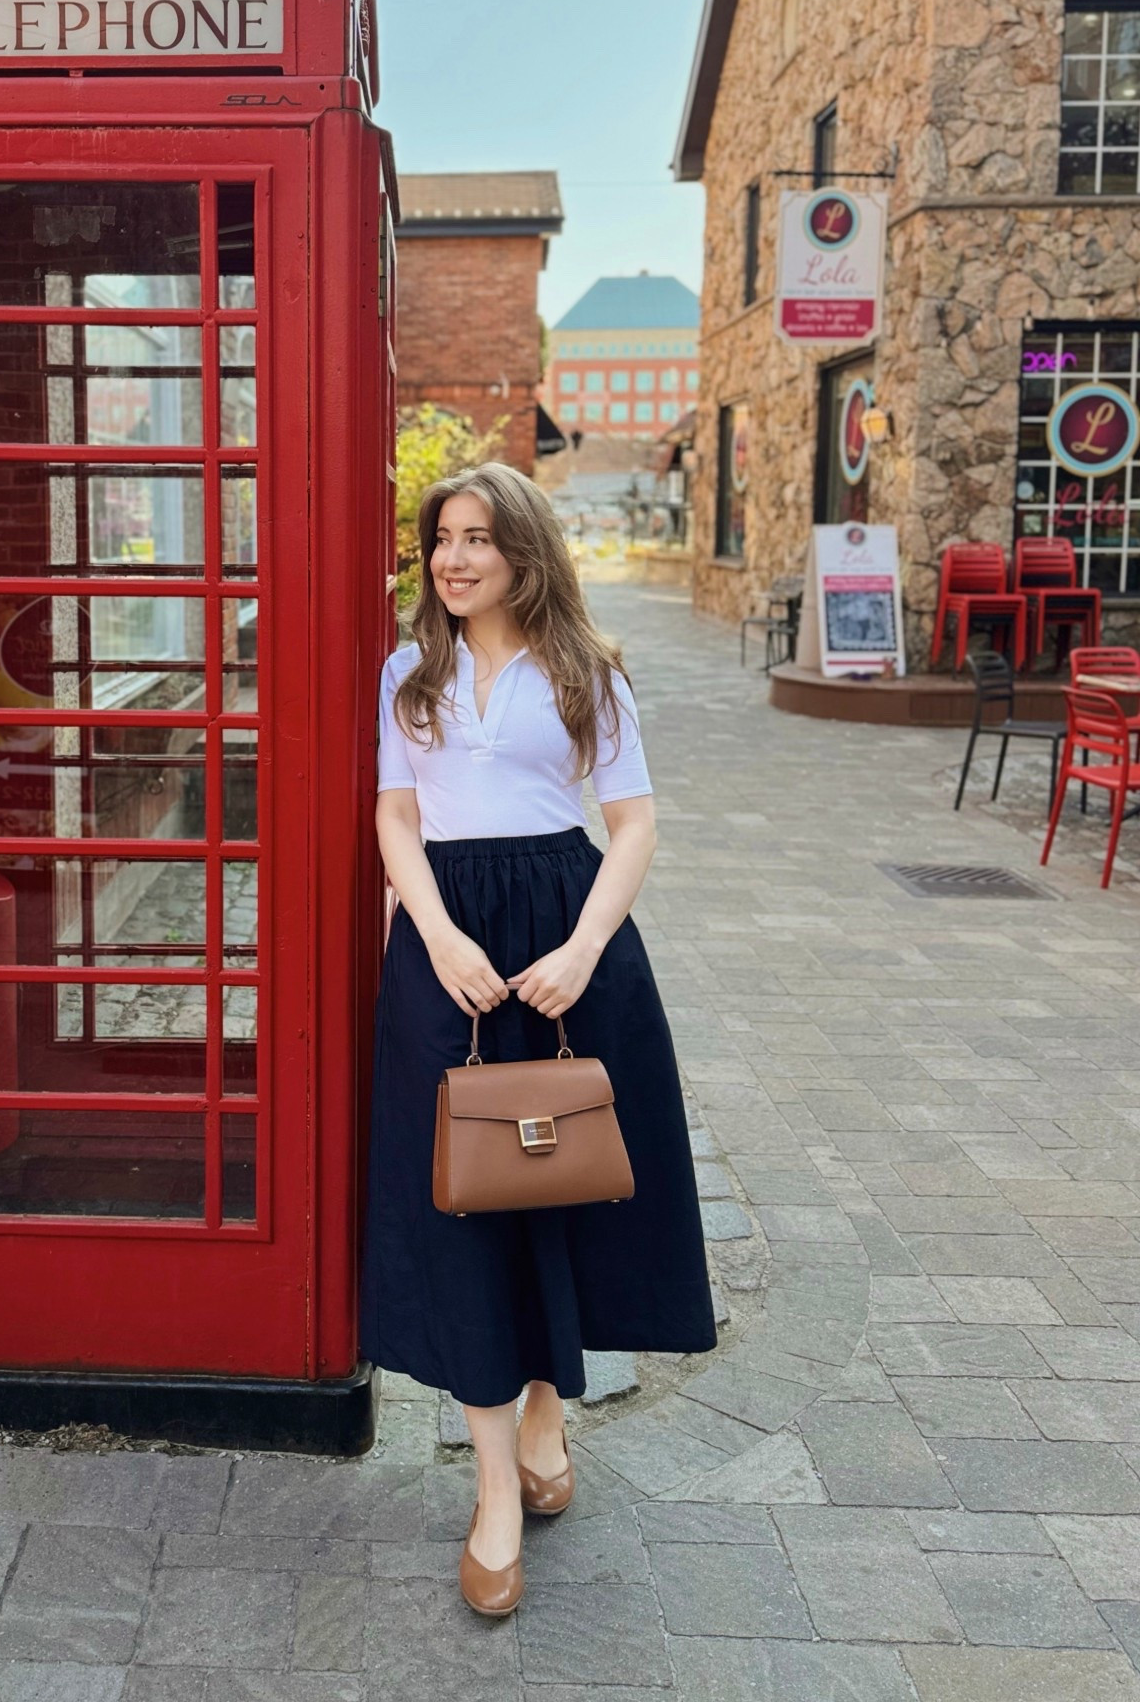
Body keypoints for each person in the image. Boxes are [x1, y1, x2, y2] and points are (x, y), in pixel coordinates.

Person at [361, 461, 715, 1618]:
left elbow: (635, 821)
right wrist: (434, 930)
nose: (455, 558)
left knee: (559, 1192)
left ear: (524, 547)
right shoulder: (409, 674)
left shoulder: (585, 671)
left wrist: (580, 949)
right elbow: (394, 814)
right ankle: (498, 1486)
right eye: (440, 539)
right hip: (447, 955)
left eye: (478, 537)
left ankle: (551, 1409)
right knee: (461, 1206)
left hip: (566, 951)